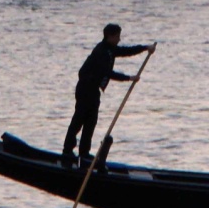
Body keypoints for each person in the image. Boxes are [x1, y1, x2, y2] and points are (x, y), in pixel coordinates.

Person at [62, 25, 156, 167]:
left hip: (94, 90)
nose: (119, 39)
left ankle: (84, 153)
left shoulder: (110, 50)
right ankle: (67, 150)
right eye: (117, 36)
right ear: (110, 36)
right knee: (79, 119)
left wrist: (144, 48)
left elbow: (126, 51)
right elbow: (107, 73)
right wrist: (129, 78)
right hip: (85, 89)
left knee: (91, 122)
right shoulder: (101, 52)